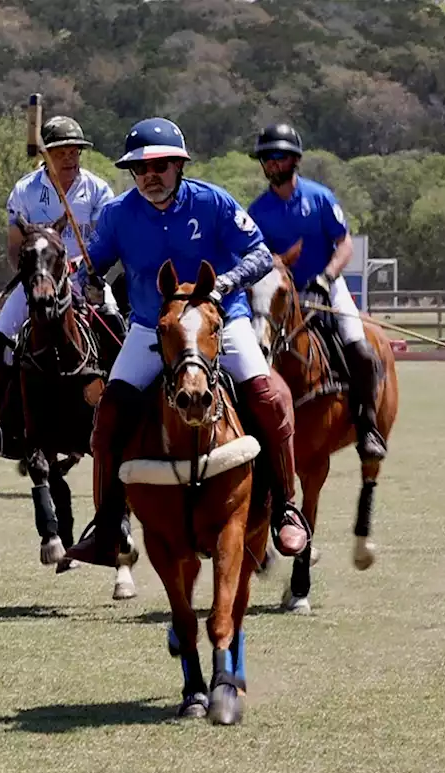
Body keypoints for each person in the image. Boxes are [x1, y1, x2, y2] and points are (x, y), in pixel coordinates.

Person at [63, 118, 309, 568]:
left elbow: (257, 252)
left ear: (179, 166)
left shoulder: (212, 202)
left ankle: (285, 508)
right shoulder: (119, 214)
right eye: (140, 169)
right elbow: (92, 263)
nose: (149, 176)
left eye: (159, 166)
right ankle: (106, 524)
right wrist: (80, 277)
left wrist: (226, 283)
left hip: (218, 321)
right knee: (110, 412)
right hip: (150, 327)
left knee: (268, 398)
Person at [0, 115, 125, 458]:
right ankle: (9, 428)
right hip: (38, 282)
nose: (70, 158)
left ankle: (122, 412)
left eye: (75, 151)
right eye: (62, 152)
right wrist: (32, 275)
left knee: (116, 326)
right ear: (46, 154)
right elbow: (15, 244)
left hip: (85, 278)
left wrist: (86, 272)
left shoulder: (98, 190)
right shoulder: (25, 191)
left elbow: (106, 241)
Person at [246, 122, 387, 463]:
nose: (271, 164)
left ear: (295, 160)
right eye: (266, 159)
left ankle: (367, 427)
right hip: (280, 292)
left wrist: (326, 277)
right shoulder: (257, 211)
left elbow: (344, 244)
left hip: (325, 285)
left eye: (278, 157)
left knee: (360, 348)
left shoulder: (319, 197)